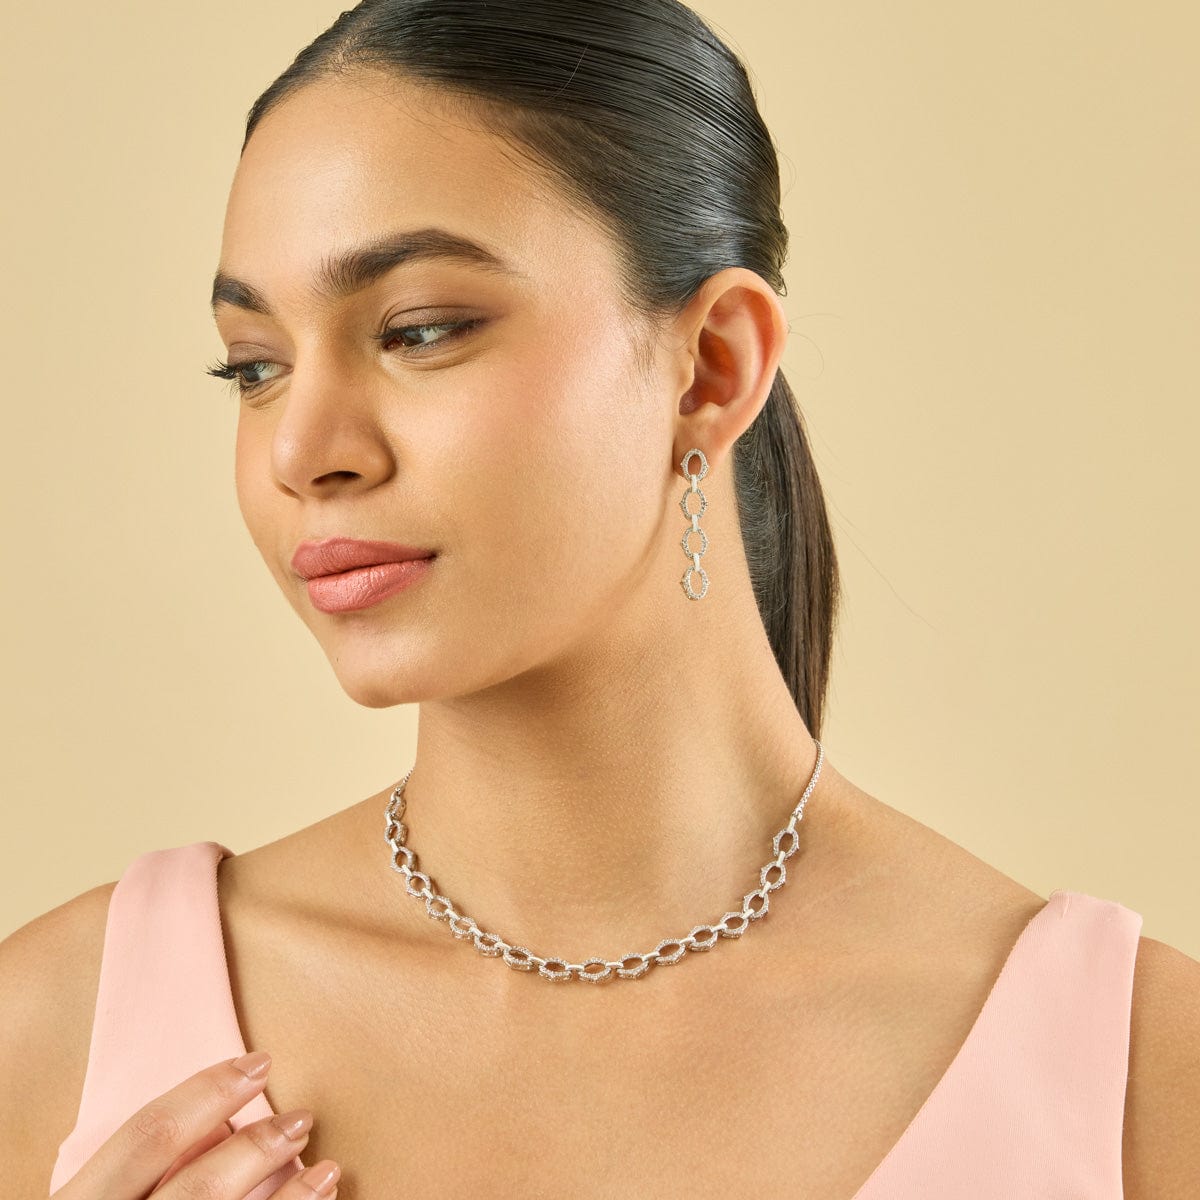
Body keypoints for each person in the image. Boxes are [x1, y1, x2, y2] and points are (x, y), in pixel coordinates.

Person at [3, 1, 1197, 1197]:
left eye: (419, 331)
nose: (301, 450)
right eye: (255, 366)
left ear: (712, 366)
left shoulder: (1140, 1078)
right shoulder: (59, 1030)